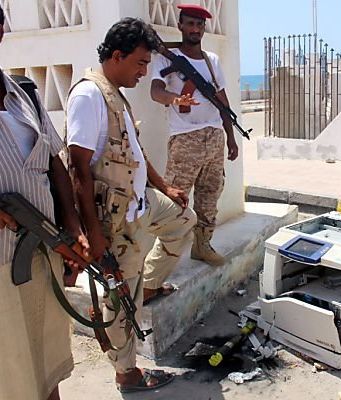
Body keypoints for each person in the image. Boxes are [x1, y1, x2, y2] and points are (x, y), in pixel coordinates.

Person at [66, 18, 196, 392]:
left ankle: (151, 284)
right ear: (118, 56)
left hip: (142, 203)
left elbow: (133, 152)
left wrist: (164, 186)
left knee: (184, 219)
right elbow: (78, 168)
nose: (144, 72)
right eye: (140, 63)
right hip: (116, 219)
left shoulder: (114, 91)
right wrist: (92, 233)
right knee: (124, 299)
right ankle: (127, 374)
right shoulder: (89, 95)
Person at [0, 5, 88, 399]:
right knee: (13, 371)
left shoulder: (25, 94)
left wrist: (72, 229)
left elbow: (54, 161)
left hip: (41, 252)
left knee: (47, 359)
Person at [150, 4, 239, 267]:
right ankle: (162, 260)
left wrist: (231, 136)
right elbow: (155, 92)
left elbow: (223, 101)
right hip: (185, 138)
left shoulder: (211, 61)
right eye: (190, 24)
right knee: (175, 199)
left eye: (199, 25)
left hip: (214, 139)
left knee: (210, 195)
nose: (195, 29)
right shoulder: (167, 57)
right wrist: (175, 98)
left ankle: (202, 245)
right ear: (180, 25)